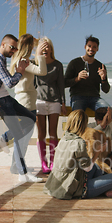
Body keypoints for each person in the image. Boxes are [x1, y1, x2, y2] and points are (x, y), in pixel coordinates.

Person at [0, 34, 42, 183]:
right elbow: (9, 82)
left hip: (5, 98)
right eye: (12, 47)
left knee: (31, 118)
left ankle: (3, 138)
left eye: (16, 48)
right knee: (20, 134)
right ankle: (23, 174)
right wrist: (20, 71)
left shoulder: (2, 59)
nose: (14, 50)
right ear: (3, 44)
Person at [44, 110, 112, 199]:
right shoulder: (79, 142)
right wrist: (98, 151)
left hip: (58, 184)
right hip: (73, 188)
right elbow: (87, 168)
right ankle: (105, 191)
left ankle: (103, 190)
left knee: (97, 168)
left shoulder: (64, 138)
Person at [0, 33, 47, 175]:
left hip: (27, 101)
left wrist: (39, 46)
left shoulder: (18, 59)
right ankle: (4, 139)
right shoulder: (23, 61)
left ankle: (16, 165)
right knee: (23, 137)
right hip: (26, 103)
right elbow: (42, 71)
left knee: (23, 137)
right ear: (28, 47)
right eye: (32, 47)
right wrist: (40, 55)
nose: (34, 49)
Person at [34, 37, 66, 174]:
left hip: (54, 101)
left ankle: (53, 161)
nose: (46, 49)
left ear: (52, 49)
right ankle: (43, 162)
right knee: (41, 133)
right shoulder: (33, 63)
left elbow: (61, 85)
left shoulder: (58, 65)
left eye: (48, 47)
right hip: (39, 101)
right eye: (43, 46)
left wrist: (63, 102)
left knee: (53, 133)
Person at [64, 35, 112, 117]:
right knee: (77, 118)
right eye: (89, 46)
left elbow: (106, 90)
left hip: (95, 98)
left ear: (97, 49)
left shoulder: (100, 66)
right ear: (85, 47)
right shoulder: (74, 63)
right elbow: (65, 83)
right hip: (77, 97)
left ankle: (97, 129)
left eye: (94, 47)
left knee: (110, 114)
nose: (91, 49)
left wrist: (103, 79)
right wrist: (77, 78)